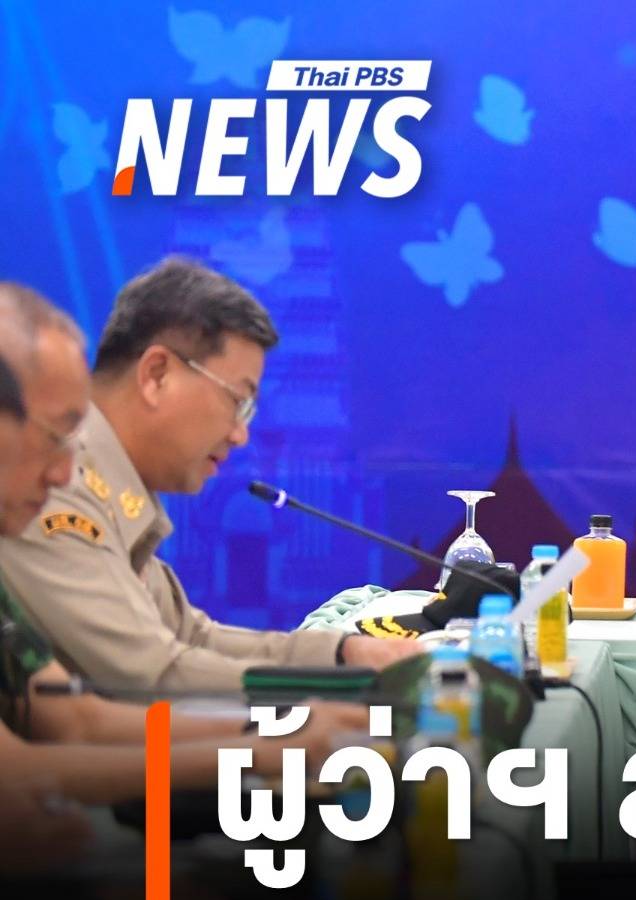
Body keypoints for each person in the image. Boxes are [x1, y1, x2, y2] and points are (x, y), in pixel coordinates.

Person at [0, 281, 356, 806]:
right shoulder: (62, 500)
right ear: (156, 375)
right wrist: (266, 742)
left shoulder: (111, 499)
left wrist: (279, 730)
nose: (62, 472)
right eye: (56, 436)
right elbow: (18, 773)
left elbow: (74, 720)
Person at [0, 259, 419, 696]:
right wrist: (346, 687)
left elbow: (193, 638)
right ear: (157, 375)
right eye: (238, 401)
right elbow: (155, 677)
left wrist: (344, 652)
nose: (240, 434)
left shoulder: (113, 492)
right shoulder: (54, 489)